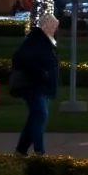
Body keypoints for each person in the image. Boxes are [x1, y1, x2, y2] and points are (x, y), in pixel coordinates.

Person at [12, 14, 60, 156]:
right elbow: (20, 59)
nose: (56, 30)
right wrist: (41, 73)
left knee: (35, 117)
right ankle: (39, 152)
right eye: (54, 26)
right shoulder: (35, 41)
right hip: (34, 86)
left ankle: (21, 150)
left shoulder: (46, 41)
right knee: (40, 115)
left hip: (42, 86)